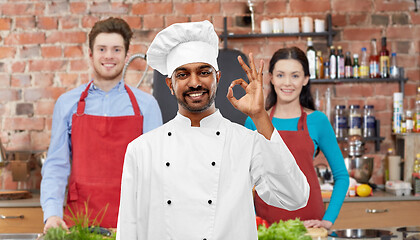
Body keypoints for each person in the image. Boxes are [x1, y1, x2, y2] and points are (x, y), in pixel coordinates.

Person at [116, 20, 310, 240]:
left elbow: (296, 196)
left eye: (203, 72)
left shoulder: (245, 142)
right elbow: (128, 229)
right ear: (170, 85)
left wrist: (260, 116)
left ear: (217, 78)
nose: (194, 82)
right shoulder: (142, 150)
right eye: (182, 74)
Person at [40, 17, 162, 232]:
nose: (108, 56)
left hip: (129, 222)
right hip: (78, 224)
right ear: (91, 54)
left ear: (125, 55)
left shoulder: (147, 106)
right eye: (102, 49)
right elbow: (56, 165)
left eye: (116, 50)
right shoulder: (67, 104)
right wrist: (51, 214)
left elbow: (157, 170)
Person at [245, 47, 349, 229]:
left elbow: (341, 176)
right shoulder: (254, 121)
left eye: (295, 75)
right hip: (267, 224)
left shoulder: (318, 121)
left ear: (305, 79)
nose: (287, 83)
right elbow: (243, 180)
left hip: (310, 224)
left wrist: (327, 220)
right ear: (271, 78)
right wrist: (253, 221)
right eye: (280, 75)